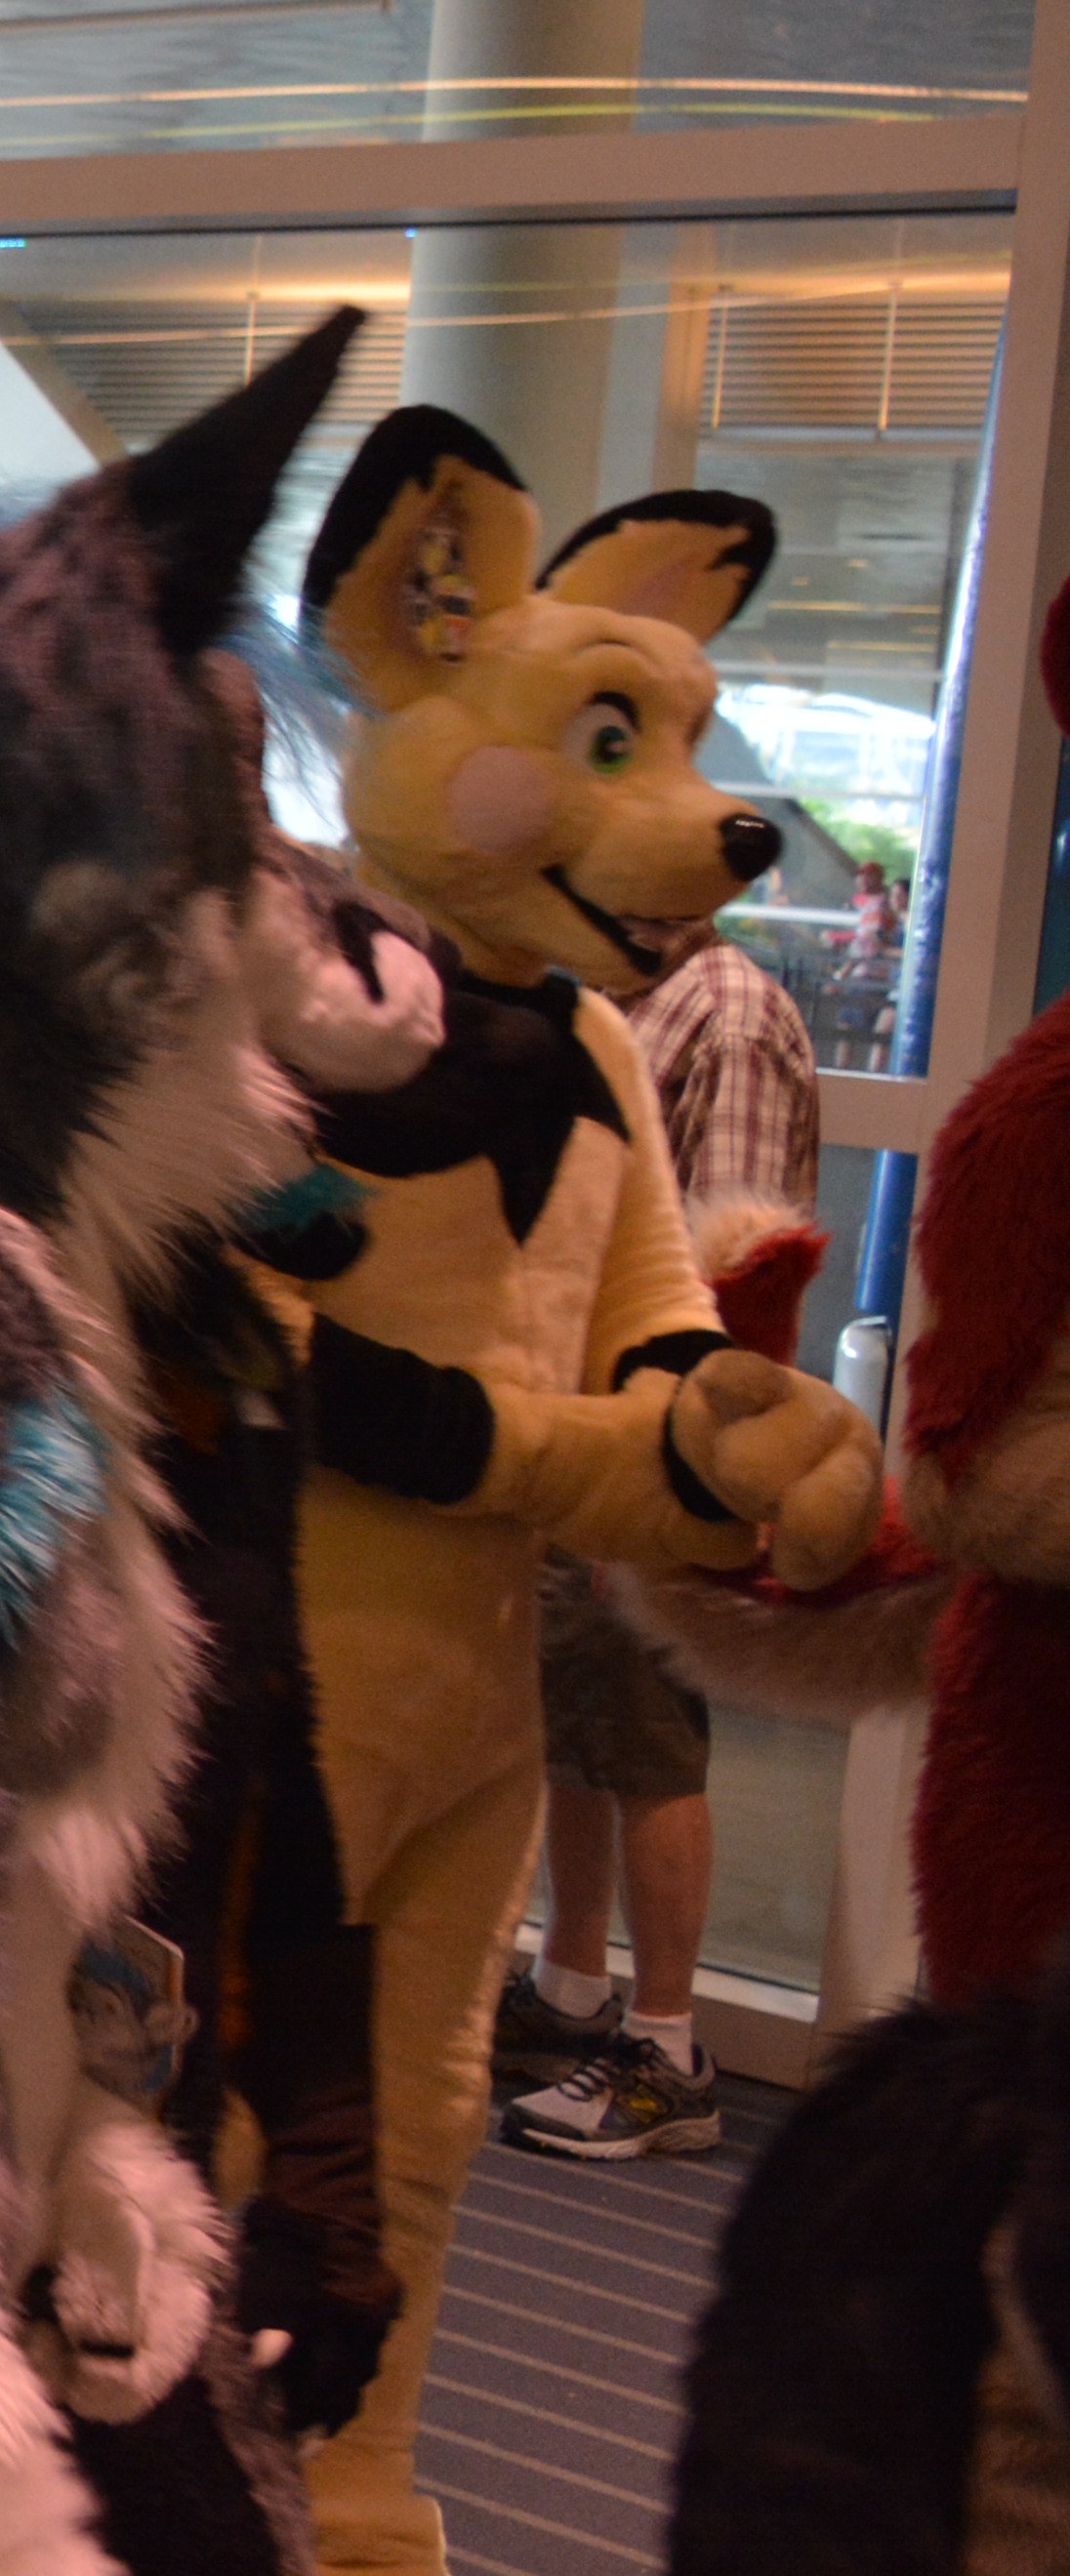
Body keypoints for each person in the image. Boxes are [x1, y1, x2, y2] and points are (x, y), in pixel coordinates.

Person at [505, 909, 826, 2165]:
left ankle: (669, 2047)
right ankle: (572, 1986)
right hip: (588, 1425)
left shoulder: (726, 1015)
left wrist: (681, 1485)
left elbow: (737, 1280)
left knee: (648, 1740)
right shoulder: (616, 995)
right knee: (582, 1715)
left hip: (663, 1445)